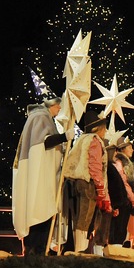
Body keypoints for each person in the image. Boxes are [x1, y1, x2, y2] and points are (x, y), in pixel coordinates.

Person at [12, 93, 75, 255]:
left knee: (43, 214)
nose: (59, 108)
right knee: (39, 212)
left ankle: (38, 252)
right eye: (57, 105)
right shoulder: (40, 117)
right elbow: (44, 142)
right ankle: (35, 252)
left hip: (45, 175)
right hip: (40, 177)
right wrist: (63, 137)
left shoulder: (42, 117)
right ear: (49, 104)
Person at [62, 111, 114, 253]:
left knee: (78, 217)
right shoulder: (95, 141)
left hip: (75, 182)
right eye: (104, 127)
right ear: (98, 128)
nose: (105, 131)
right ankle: (80, 249)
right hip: (88, 183)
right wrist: (100, 189)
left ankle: (77, 247)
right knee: (85, 218)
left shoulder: (81, 139)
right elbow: (95, 166)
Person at [108, 137, 134, 248]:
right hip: (122, 200)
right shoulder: (119, 163)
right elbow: (123, 183)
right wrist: (133, 199)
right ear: (123, 149)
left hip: (128, 201)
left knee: (122, 229)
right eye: (130, 147)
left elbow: (133, 185)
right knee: (118, 229)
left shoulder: (130, 164)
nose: (132, 150)